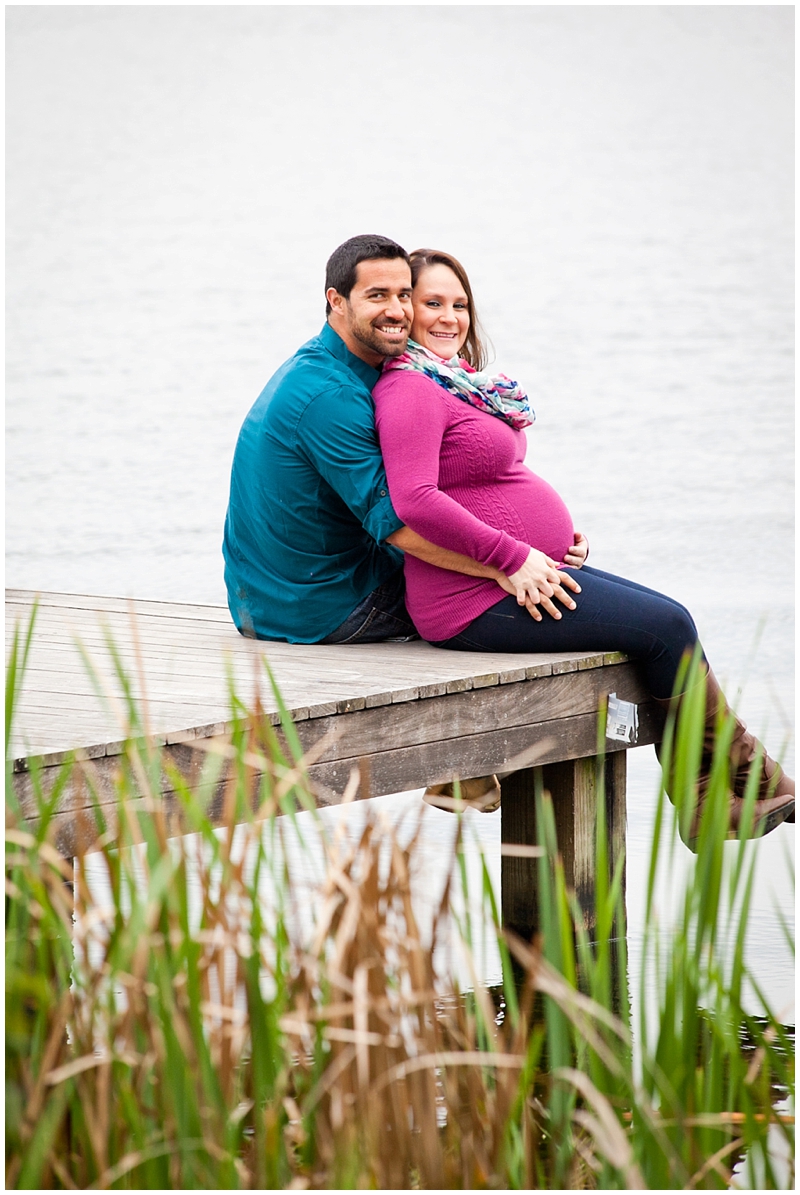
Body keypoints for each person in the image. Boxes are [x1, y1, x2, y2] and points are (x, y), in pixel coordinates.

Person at [372, 248, 795, 845]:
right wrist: (512, 553)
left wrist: (549, 534)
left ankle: (730, 785)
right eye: (431, 303)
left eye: (459, 304)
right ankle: (725, 785)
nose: (449, 317)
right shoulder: (410, 389)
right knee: (665, 626)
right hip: (469, 599)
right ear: (404, 311)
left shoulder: (461, 385)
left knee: (670, 620)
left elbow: (478, 483)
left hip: (517, 575)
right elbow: (414, 499)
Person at [222, 234, 538, 646]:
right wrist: (512, 564)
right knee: (499, 597)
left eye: (404, 295)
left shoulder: (344, 366)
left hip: (279, 593)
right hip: (324, 605)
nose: (396, 311)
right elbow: (397, 526)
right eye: (377, 295)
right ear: (337, 301)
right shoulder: (329, 396)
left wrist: (538, 538)